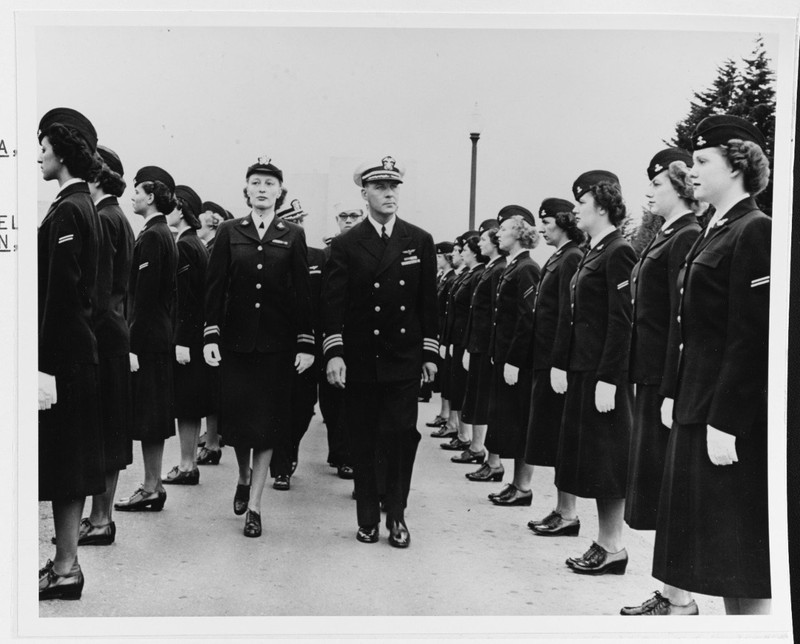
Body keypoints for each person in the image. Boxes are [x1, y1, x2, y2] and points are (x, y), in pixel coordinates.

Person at [652, 115, 772, 614]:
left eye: (703, 161)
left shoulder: (755, 230)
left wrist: (726, 421)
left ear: (738, 163)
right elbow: (691, 329)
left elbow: (750, 339)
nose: (692, 170)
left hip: (723, 415)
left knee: (738, 558)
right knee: (719, 553)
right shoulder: (714, 230)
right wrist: (674, 392)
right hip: (697, 404)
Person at [322, 155, 438, 548]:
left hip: (403, 358)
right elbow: (332, 304)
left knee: (402, 435)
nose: (389, 194)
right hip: (362, 358)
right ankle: (368, 517)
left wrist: (429, 355)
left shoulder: (418, 240)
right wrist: (334, 352)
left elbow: (428, 304)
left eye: (394, 187)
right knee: (365, 437)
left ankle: (398, 515)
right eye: (380, 187)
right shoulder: (346, 244)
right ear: (365, 193)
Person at [204, 156, 314, 538]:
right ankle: (243, 474)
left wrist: (305, 342)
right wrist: (211, 334)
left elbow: (302, 292)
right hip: (236, 343)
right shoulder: (230, 231)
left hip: (277, 346)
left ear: (279, 192)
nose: (263, 189)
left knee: (267, 425)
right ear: (247, 190)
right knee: (238, 422)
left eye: (269, 183)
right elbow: (215, 286)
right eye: (256, 182)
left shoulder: (292, 235)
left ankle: (255, 505)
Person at [619, 149, 702, 615]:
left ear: (679, 185)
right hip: (649, 373)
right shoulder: (668, 235)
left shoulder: (686, 235)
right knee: (659, 487)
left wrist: (670, 385)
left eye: (657, 182)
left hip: (663, 375)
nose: (650, 190)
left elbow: (678, 320)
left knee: (670, 487)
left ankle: (678, 598)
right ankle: (673, 594)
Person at [38, 107, 104, 600]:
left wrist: (41, 366)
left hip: (64, 356)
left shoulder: (70, 210)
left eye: (43, 147)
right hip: (75, 352)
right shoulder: (81, 205)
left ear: (60, 152)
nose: (38, 156)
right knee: (68, 461)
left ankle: (67, 568)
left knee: (65, 462)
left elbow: (60, 294)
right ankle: (64, 562)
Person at [557, 170, 637, 575]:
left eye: (581, 203)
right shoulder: (594, 250)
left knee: (607, 463)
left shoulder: (618, 250)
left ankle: (613, 547)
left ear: (602, 206)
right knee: (592, 462)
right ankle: (604, 542)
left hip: (602, 375)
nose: (575, 210)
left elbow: (622, 321)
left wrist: (610, 377)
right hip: (584, 370)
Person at [76, 144, 135, 545]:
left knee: (102, 432)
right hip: (114, 333)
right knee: (108, 430)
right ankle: (100, 517)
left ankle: (100, 520)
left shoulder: (104, 217)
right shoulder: (117, 216)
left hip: (102, 336)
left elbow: (97, 290)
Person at [114, 166, 179, 512]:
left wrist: (132, 345)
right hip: (156, 337)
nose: (133, 196)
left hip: (149, 339)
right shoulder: (157, 232)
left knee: (151, 416)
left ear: (151, 196)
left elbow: (145, 297)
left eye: (138, 190)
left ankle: (152, 487)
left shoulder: (154, 235)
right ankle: (151, 485)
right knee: (152, 415)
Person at [524, 199, 586, 536]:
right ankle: (562, 509)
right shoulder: (560, 256)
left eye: (546, 221)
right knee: (553, 438)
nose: (542, 227)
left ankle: (568, 513)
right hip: (545, 359)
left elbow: (567, 315)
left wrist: (557, 363)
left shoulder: (572, 256)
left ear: (563, 222)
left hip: (555, 362)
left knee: (561, 439)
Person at [472, 208, 541, 507]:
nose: (498, 233)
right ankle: (515, 483)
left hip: (517, 362)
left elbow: (526, 320)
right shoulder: (513, 266)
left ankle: (523, 487)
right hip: (503, 357)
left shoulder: (526, 267)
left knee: (520, 422)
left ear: (521, 232)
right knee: (508, 422)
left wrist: (513, 359)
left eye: (505, 228)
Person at [269, 198, 330, 486]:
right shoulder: (270, 254)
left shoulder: (319, 257)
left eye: (300, 221)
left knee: (305, 405)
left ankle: (290, 446)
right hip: (278, 341)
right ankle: (281, 463)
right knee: (280, 403)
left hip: (312, 343)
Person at [162, 185, 213, 485]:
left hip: (187, 339)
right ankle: (188, 462)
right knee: (191, 404)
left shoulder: (185, 246)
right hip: (195, 338)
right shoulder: (195, 244)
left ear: (181, 209)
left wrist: (181, 339)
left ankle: (185, 465)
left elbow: (186, 299)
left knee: (187, 404)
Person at [456, 220, 506, 466]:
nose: (480, 243)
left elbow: (496, 313)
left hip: (487, 346)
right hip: (478, 344)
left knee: (485, 401)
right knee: (476, 398)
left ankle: (486, 455)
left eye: (484, 239)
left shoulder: (498, 269)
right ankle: (477, 449)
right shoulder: (490, 269)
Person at [440, 231, 485, 456]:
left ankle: (465, 437)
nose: (460, 254)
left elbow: (472, 313)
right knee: (455, 386)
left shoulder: (479, 274)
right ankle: (460, 434)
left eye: (464, 250)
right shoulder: (468, 275)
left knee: (463, 388)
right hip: (457, 339)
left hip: (465, 340)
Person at [195, 200, 233, 465]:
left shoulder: (213, 247)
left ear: (213, 219)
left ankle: (212, 440)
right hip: (208, 322)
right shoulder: (206, 246)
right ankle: (212, 437)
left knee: (212, 384)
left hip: (212, 323)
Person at [427, 241, 458, 436]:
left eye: (439, 256)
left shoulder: (452, 279)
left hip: (447, 332)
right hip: (442, 331)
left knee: (450, 378)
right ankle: (444, 415)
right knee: (446, 378)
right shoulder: (443, 278)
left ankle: (449, 419)